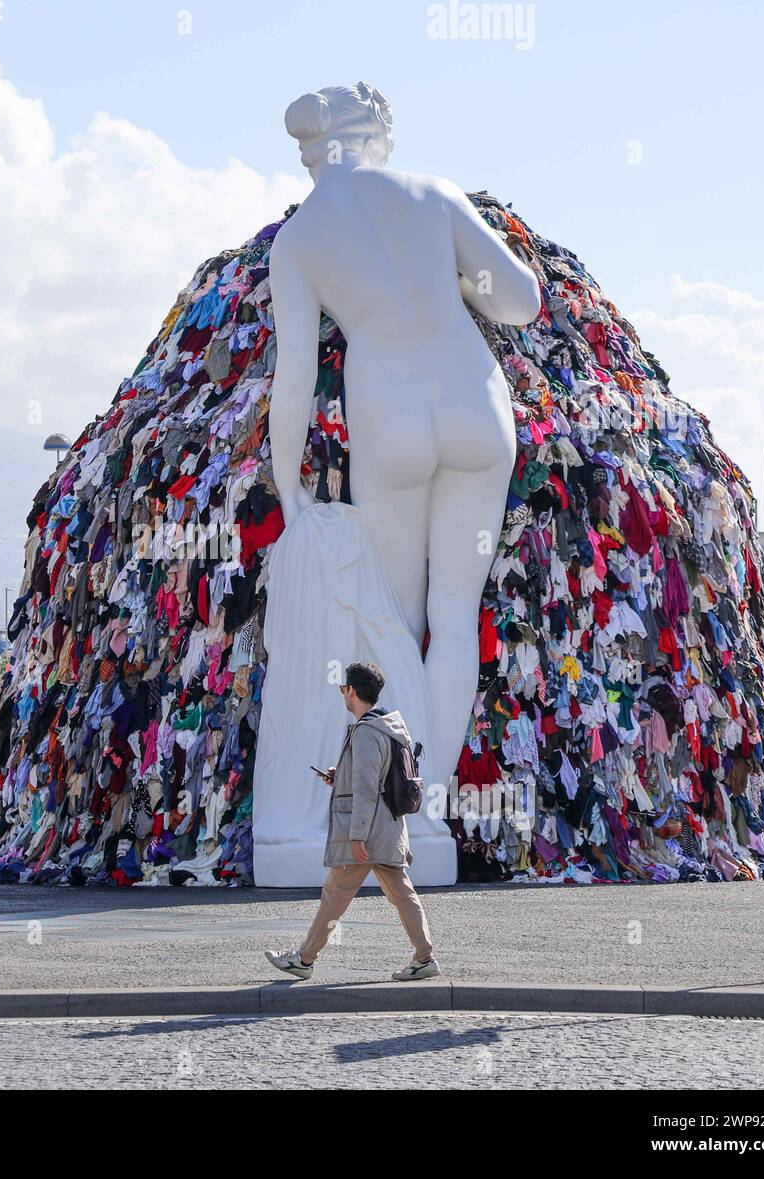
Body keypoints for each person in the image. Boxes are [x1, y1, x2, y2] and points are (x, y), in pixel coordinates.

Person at [267, 83, 541, 800]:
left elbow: (292, 380)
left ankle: (397, 803)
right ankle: (435, 802)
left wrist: (287, 483)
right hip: (476, 406)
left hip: (390, 415)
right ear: (372, 136)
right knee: (454, 618)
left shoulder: (297, 243)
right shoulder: (431, 192)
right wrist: (453, 281)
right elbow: (520, 301)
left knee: (395, 618)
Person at [265, 661, 438, 982]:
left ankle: (304, 959)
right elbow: (375, 778)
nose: (343, 694)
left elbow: (367, 788)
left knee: (336, 895)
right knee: (398, 895)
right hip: (387, 829)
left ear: (352, 691)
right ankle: (424, 956)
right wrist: (340, 775)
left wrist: (357, 836)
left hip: (369, 833)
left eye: (344, 688)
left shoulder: (367, 733)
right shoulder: (388, 725)